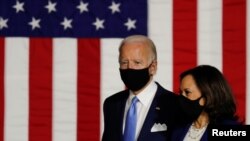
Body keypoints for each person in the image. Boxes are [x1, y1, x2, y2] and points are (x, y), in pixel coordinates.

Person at [102, 35, 179, 141]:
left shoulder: (175, 104)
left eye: (137, 62)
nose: (129, 68)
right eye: (124, 62)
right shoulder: (112, 104)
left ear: (153, 67)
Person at [171, 65, 242, 141]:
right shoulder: (178, 128)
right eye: (180, 92)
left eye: (187, 92)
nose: (182, 97)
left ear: (207, 94)